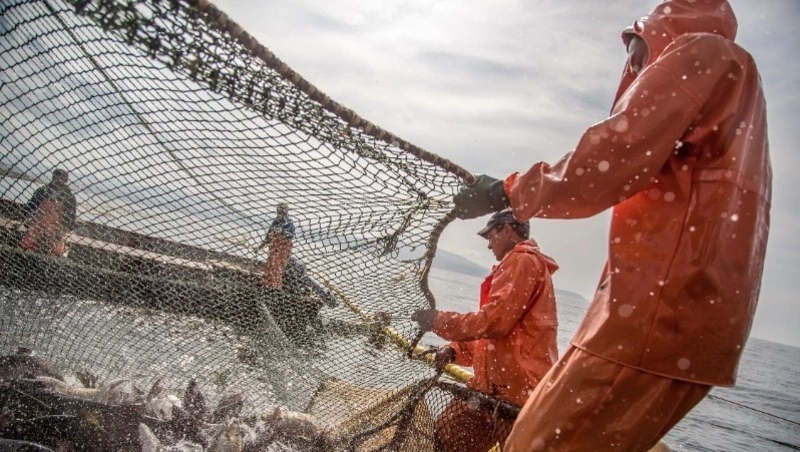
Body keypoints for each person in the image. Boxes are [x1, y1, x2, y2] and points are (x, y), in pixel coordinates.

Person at [454, 1, 771, 450]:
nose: (634, 68)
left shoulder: (704, 53)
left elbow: (614, 154)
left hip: (653, 314)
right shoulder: (741, 97)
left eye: (638, 52)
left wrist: (508, 191)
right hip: (689, 325)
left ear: (661, 32)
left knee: (533, 445)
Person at [411, 210, 559, 452]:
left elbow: (494, 322)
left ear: (507, 230)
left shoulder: (523, 260)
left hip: (517, 396)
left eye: (490, 236)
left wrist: (438, 321)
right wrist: (455, 350)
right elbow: (493, 335)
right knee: (449, 434)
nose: (489, 244)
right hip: (487, 390)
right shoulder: (516, 264)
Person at [18, 169, 77, 257]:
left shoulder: (70, 197)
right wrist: (27, 220)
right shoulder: (42, 191)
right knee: (26, 245)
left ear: (66, 181)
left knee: (56, 251)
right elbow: (30, 206)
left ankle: (56, 257)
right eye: (55, 178)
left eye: (60, 178)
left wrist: (64, 230)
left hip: (56, 228)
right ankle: (24, 256)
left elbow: (71, 217)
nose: (57, 180)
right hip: (38, 224)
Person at [255, 202, 295, 289]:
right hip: (273, 248)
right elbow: (268, 238)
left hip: (283, 250)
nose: (281, 211)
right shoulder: (275, 222)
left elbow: (291, 235)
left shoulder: (289, 223)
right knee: (270, 265)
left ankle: (275, 286)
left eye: (283, 209)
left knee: (277, 267)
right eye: (279, 209)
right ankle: (266, 283)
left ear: (287, 211)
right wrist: (259, 248)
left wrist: (283, 231)